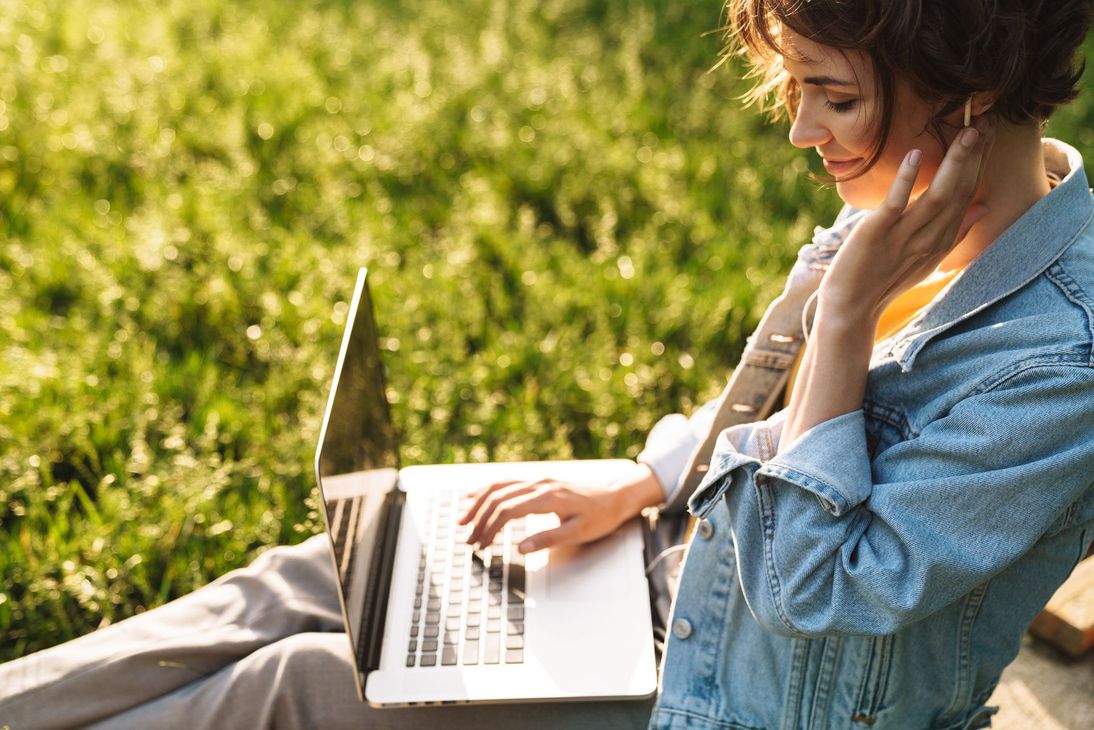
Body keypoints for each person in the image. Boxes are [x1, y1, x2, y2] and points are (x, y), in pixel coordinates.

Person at [3, 1, 1092, 728]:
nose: (800, 129)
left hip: (724, 698)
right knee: (304, 579)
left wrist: (845, 317)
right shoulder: (913, 225)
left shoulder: (1058, 364)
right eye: (795, 88)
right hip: (676, 580)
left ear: (968, 92)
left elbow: (815, 587)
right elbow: (764, 418)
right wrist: (650, 479)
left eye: (834, 95)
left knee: (305, 685)